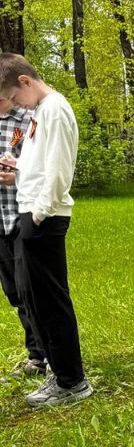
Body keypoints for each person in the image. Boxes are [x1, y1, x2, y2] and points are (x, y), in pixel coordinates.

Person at [0, 54, 93, 407]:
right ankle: (59, 372)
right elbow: (40, 164)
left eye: (13, 97)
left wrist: (39, 213)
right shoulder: (41, 110)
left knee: (50, 301)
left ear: (25, 81)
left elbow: (59, 169)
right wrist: (18, 169)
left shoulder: (54, 108)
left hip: (43, 217)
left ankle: (72, 381)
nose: (15, 105)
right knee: (34, 299)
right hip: (33, 211)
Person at [0, 95, 45, 376]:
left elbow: (46, 168)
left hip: (24, 217)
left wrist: (17, 176)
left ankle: (49, 356)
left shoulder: (31, 119)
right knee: (15, 293)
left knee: (33, 290)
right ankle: (36, 356)